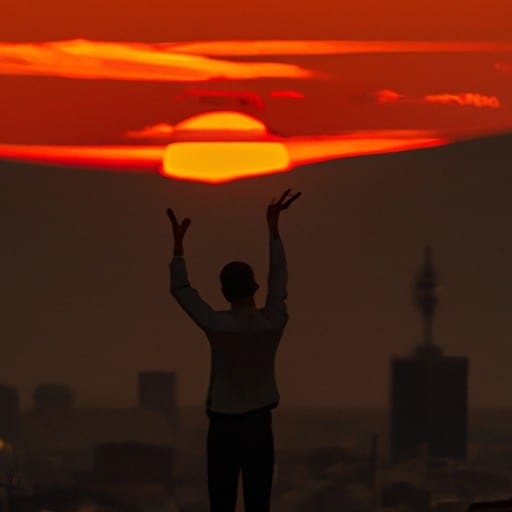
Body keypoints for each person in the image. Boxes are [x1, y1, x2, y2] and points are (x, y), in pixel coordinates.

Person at [166, 188, 301, 512]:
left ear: (224, 292)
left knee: (221, 504)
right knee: (259, 503)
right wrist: (273, 230)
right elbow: (279, 278)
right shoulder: (271, 323)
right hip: (259, 424)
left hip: (223, 427)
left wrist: (179, 251)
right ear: (253, 288)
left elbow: (181, 290)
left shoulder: (217, 325)